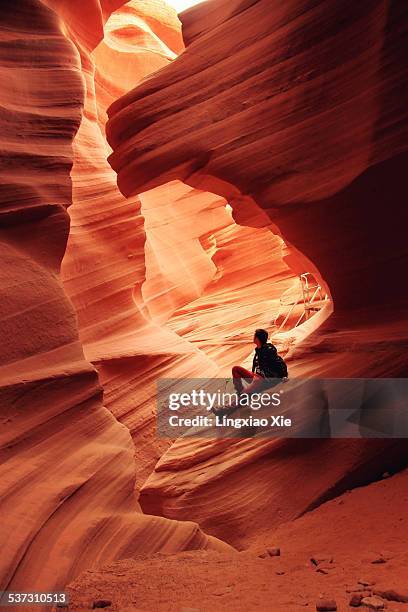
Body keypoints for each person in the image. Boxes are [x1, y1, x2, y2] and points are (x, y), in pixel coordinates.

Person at [232, 328, 287, 395]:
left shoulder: (268, 350)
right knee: (235, 369)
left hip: (266, 380)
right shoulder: (258, 350)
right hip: (258, 377)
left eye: (254, 336)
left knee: (257, 380)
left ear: (257, 339)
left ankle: (241, 398)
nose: (253, 338)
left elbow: (280, 362)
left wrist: (284, 376)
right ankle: (241, 391)